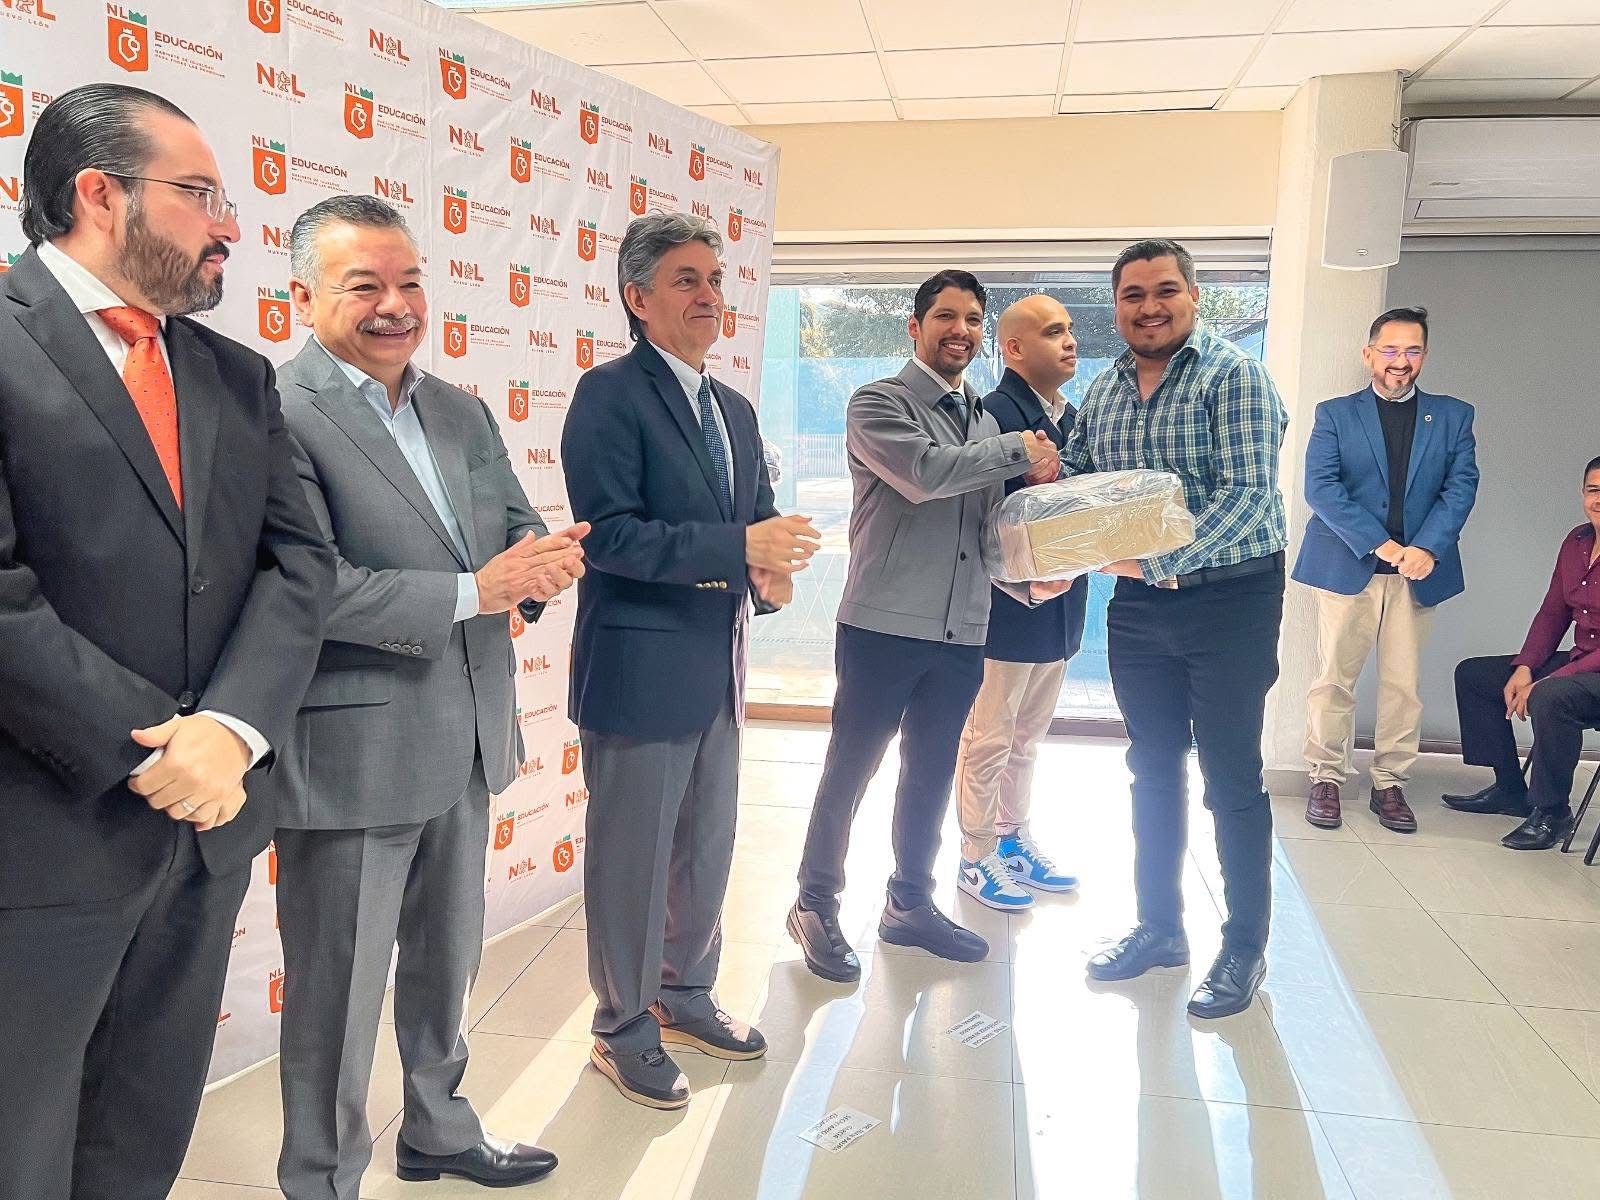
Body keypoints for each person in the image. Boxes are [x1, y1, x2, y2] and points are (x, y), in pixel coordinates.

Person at [0, 84, 333, 1200]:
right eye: (199, 194)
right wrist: (154, 746)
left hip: (206, 833)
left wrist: (230, 732)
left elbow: (299, 565)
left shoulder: (234, 375)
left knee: (140, 1137)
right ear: (99, 195)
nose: (227, 224)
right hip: (39, 837)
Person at [267, 196, 582, 1195]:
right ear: (303, 296)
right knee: (338, 994)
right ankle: (321, 1176)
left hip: (469, 733)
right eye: (365, 285)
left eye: (409, 282)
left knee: (448, 965)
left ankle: (439, 1129)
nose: (395, 305)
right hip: (352, 754)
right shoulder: (275, 413)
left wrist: (537, 565)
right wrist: (474, 592)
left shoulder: (458, 409)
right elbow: (306, 588)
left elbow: (512, 524)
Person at [562, 212, 809, 1109]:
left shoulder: (733, 408)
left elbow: (758, 519)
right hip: (638, 672)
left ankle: (686, 993)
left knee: (706, 846)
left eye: (715, 279)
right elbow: (610, 536)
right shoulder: (608, 395)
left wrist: (770, 574)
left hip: (719, 668)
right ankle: (622, 1025)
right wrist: (740, 546)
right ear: (637, 298)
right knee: (632, 862)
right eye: (686, 280)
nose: (710, 296)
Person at [788, 269, 1061, 982]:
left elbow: (983, 531)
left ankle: (909, 903)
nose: (960, 330)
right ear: (915, 327)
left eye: (972, 319)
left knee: (932, 773)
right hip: (882, 627)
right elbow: (925, 474)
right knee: (851, 770)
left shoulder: (983, 420)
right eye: (945, 316)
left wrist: (1026, 583)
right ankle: (815, 903)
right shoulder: (878, 403)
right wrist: (1019, 450)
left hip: (962, 630)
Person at [1066, 239, 1288, 1020]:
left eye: (1165, 290)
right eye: (1133, 295)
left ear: (1194, 296)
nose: (1149, 307)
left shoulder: (1235, 376)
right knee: (1152, 768)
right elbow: (1080, 475)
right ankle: (1160, 929)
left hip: (1231, 600)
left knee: (1231, 778)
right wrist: (1049, 523)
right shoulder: (1106, 388)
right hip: (1141, 607)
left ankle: (1245, 947)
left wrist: (1148, 560)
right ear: (1116, 307)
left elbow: (1249, 497)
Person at [1294, 307, 1478, 833]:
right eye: (1390, 349)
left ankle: (1390, 783)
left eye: (1412, 350)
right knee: (1333, 680)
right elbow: (1321, 489)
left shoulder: (1453, 416)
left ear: (1425, 355)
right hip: (1347, 566)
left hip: (1417, 573)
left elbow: (1461, 486)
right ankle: (1326, 777)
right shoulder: (1335, 414)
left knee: (1403, 686)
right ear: (1368, 354)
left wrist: (1427, 548)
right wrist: (1388, 547)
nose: (1401, 361)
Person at [953, 294, 1088, 910]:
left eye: (1070, 330)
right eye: (1053, 331)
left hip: (1060, 609)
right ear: (1013, 348)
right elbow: (977, 521)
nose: (1069, 341)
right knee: (989, 739)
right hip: (1005, 612)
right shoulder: (992, 416)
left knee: (1027, 738)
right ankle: (975, 854)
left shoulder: (1072, 416)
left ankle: (1012, 838)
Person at [1445, 457, 1600, 850]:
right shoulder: (1576, 542)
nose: (1599, 499)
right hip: (1581, 662)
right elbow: (1553, 612)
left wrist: (1549, 680)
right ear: (1583, 494)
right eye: (1593, 489)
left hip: (1592, 673)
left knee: (1551, 695)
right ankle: (1510, 789)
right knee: (1475, 676)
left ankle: (1552, 812)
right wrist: (1526, 666)